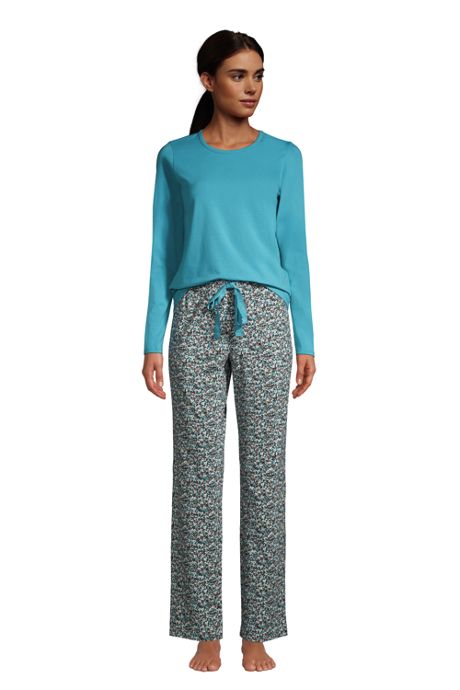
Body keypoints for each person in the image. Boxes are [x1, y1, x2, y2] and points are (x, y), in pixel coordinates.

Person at [142, 29, 316, 672]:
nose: (252, 88)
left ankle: (258, 630)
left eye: (259, 75)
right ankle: (202, 629)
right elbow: (162, 251)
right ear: (208, 79)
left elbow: (295, 249)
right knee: (196, 473)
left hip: (267, 317)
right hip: (194, 316)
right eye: (239, 75)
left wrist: (306, 336)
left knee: (265, 473)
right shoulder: (176, 158)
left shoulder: (284, 156)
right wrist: (151, 338)